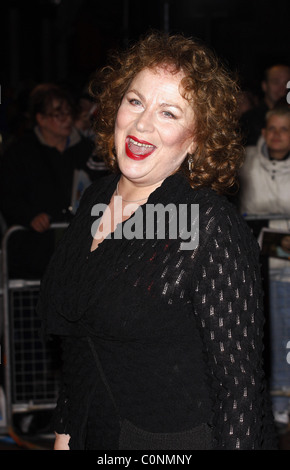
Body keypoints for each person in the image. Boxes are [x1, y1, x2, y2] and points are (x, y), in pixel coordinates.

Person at [37, 31, 277, 450]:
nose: (142, 123)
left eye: (169, 113)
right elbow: (80, 350)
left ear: (198, 138)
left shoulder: (208, 224)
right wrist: (64, 439)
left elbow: (240, 389)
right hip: (96, 432)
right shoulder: (94, 199)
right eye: (135, 101)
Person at [0, 82, 99, 278]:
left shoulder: (87, 150)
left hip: (80, 253)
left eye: (68, 113)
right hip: (35, 256)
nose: (66, 120)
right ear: (41, 119)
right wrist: (29, 217)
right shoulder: (20, 152)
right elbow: (7, 195)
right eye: (57, 114)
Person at [239, 105, 290, 432]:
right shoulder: (245, 163)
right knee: (273, 338)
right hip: (264, 271)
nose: (276, 135)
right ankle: (279, 406)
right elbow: (244, 218)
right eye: (271, 128)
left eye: (284, 129)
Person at [240, 64, 290, 145]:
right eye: (276, 82)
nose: (283, 88)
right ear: (264, 86)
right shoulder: (249, 121)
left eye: (287, 83)